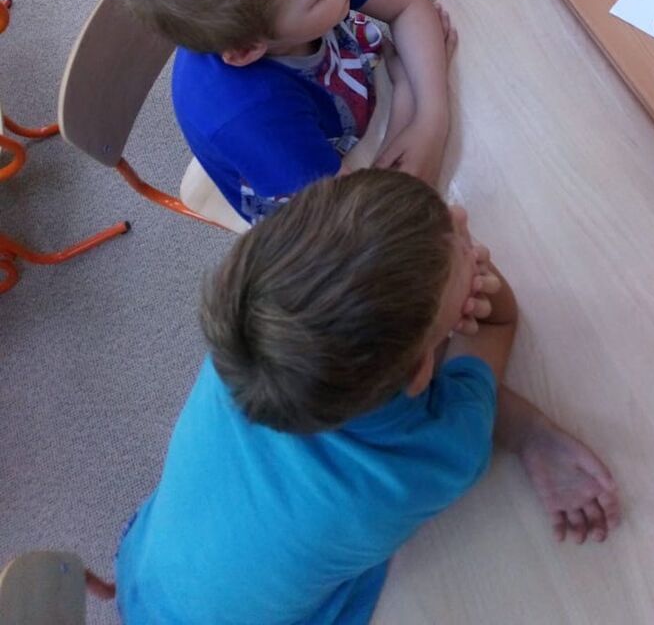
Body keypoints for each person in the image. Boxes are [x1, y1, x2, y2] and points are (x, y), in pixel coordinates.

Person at [115, 169, 621, 624]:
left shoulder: (253, 334)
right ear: (420, 374)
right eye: (460, 237)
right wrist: (530, 431)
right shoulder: (436, 456)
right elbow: (496, 321)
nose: (461, 215)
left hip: (140, 576)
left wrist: (448, 279)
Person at [115, 0, 455, 223]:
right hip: (313, 196)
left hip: (341, 105)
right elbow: (372, 223)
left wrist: (431, 117)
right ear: (248, 49)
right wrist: (406, 98)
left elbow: (410, 4)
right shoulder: (250, 114)